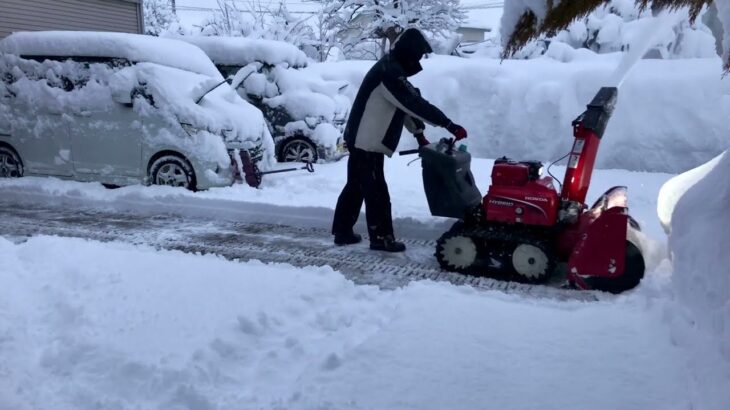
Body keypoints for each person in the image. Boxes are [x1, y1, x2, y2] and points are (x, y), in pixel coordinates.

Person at [331, 28, 468, 252]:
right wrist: (448, 124)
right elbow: (412, 103)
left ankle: (343, 232)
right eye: (419, 56)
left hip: (360, 139)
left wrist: (419, 135)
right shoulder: (390, 73)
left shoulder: (392, 69)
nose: (419, 61)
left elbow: (403, 107)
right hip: (367, 142)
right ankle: (381, 238)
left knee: (356, 186)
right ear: (410, 53)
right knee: (376, 191)